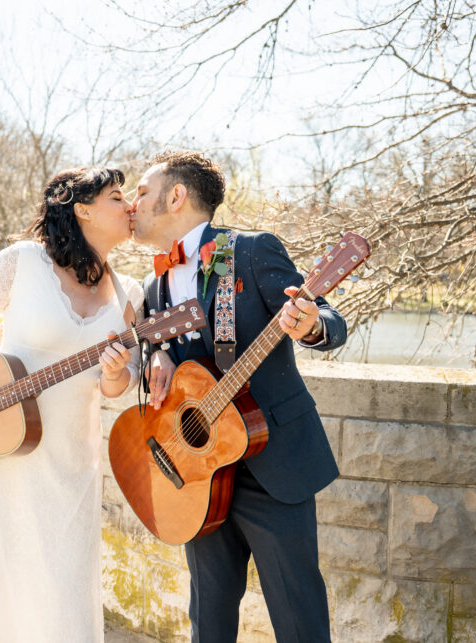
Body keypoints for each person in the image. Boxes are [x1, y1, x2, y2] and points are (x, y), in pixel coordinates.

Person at [0, 167, 141, 642]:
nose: (131, 206)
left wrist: (117, 373)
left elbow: (119, 384)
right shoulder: (23, 261)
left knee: (61, 603)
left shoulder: (130, 295)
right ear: (82, 209)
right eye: (117, 197)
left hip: (67, 469)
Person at [130, 150, 346, 642]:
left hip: (272, 465)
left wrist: (311, 325)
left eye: (143, 192)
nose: (133, 203)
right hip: (200, 476)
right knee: (208, 621)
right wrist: (155, 355)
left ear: (176, 196)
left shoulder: (248, 251)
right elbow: (162, 350)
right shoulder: (154, 283)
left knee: (299, 622)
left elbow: (331, 320)